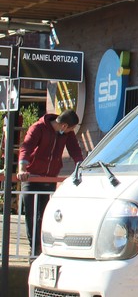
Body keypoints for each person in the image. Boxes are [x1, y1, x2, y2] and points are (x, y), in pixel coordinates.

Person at [16, 109, 83, 255]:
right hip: (32, 177)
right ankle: (33, 249)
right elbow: (26, 147)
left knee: (45, 215)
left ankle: (41, 248)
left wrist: (82, 166)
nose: (72, 131)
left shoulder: (67, 134)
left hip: (49, 178)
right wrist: (22, 169)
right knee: (31, 215)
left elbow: (75, 150)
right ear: (64, 126)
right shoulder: (38, 128)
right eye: (71, 128)